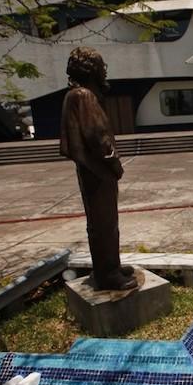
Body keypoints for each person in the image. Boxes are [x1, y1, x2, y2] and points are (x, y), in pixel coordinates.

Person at [59, 47, 136, 291]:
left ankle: (110, 265)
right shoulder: (84, 96)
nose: (104, 70)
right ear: (91, 70)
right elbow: (98, 135)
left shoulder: (75, 95)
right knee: (104, 223)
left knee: (103, 222)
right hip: (98, 170)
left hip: (90, 169)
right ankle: (107, 273)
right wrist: (115, 164)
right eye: (101, 66)